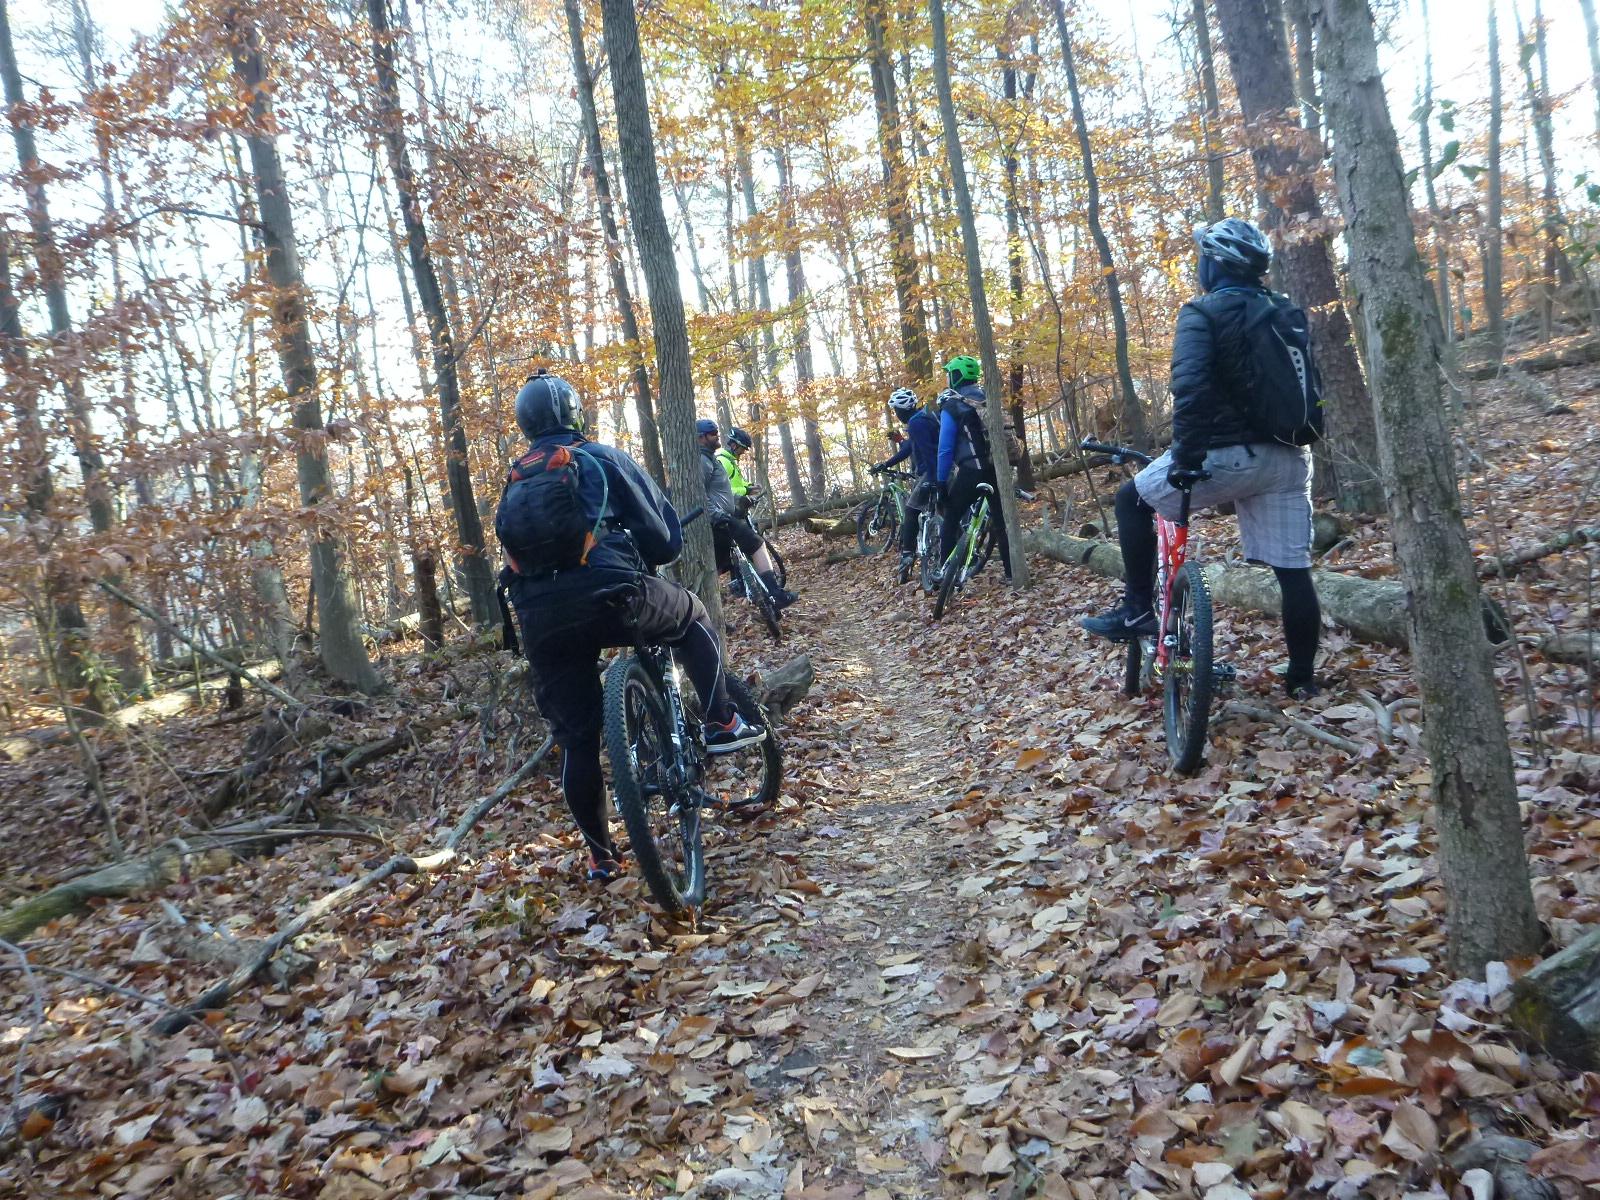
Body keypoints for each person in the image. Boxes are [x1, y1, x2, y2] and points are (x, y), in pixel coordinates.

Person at [497, 372, 764, 881]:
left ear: (525, 424)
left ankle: (601, 857)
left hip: (539, 619)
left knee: (576, 741)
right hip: (613, 595)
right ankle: (722, 719)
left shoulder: (516, 481)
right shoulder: (601, 457)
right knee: (692, 615)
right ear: (576, 414)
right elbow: (665, 544)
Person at [1080, 218, 1322, 699]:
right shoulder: (1285, 311)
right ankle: (1301, 680)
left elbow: (1190, 390)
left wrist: (1186, 459)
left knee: (1130, 501)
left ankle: (1136, 609)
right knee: (1293, 573)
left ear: (1213, 264)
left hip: (1226, 455)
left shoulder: (1203, 312)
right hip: (1290, 457)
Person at [698, 420, 797, 609]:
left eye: (717, 432)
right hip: (719, 521)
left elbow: (721, 492)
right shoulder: (707, 461)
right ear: (701, 438)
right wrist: (718, 513)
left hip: (723, 517)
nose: (717, 435)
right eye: (712, 433)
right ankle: (775, 594)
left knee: (716, 568)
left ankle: (707, 610)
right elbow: (698, 495)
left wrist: (738, 502)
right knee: (757, 544)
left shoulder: (712, 459)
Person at [935, 354, 1012, 581]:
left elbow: (945, 449)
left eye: (950, 374)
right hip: (997, 471)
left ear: (956, 377)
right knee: (1002, 523)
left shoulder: (952, 406)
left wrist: (941, 482)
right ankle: (1011, 573)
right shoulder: (989, 398)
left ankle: (945, 572)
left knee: (950, 519)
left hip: (970, 472)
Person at [871, 387, 940, 582]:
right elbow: (909, 448)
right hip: (942, 470)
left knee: (911, 511)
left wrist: (934, 479)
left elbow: (928, 453)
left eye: (896, 410)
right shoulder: (924, 417)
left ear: (902, 410)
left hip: (931, 473)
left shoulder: (916, 423)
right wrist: (886, 463)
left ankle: (907, 555)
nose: (896, 414)